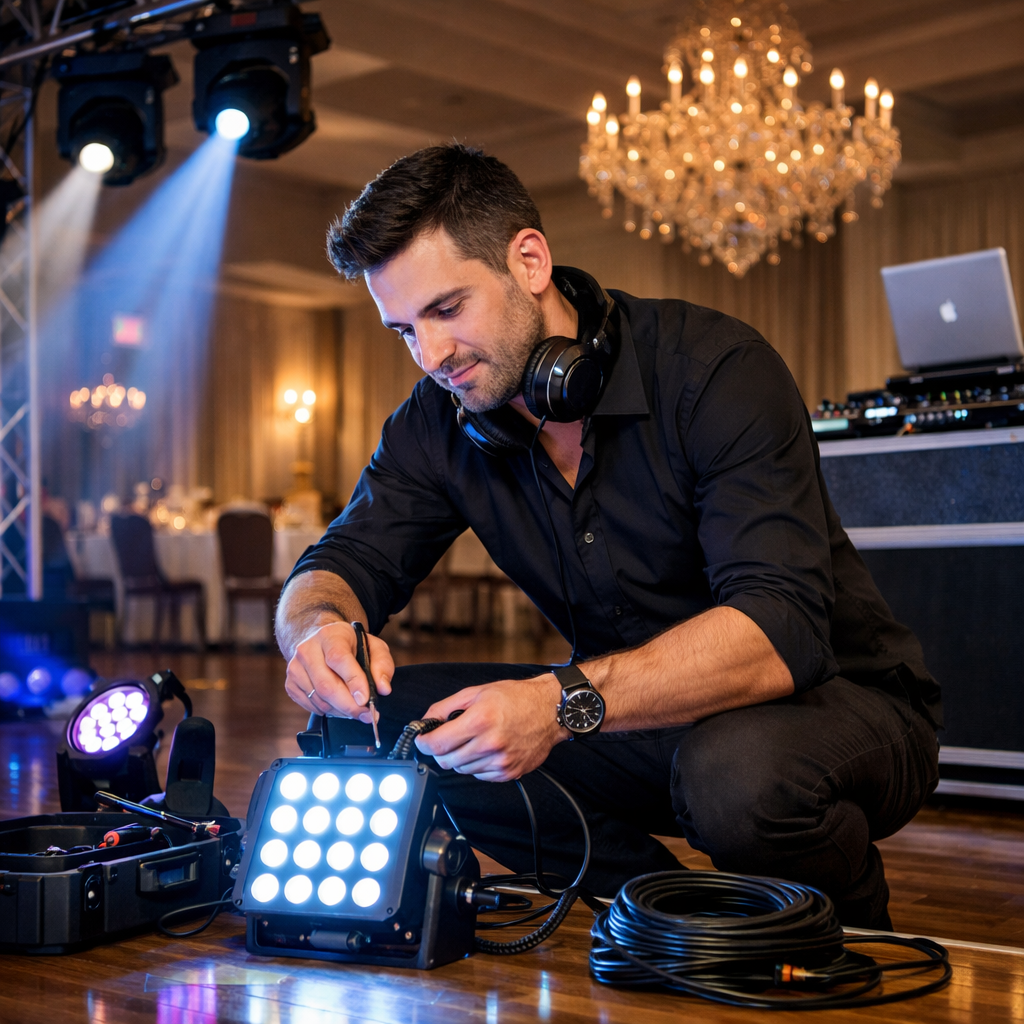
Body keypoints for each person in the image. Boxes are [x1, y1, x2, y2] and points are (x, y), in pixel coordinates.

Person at [275, 144, 940, 929]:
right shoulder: (437, 421)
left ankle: (853, 935)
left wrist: (557, 705)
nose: (432, 356)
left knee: (735, 772)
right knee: (384, 724)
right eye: (404, 331)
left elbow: (780, 634)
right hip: (629, 717)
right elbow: (340, 562)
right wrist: (315, 630)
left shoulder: (714, 369)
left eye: (447, 310)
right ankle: (662, 913)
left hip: (835, 706)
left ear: (529, 261)